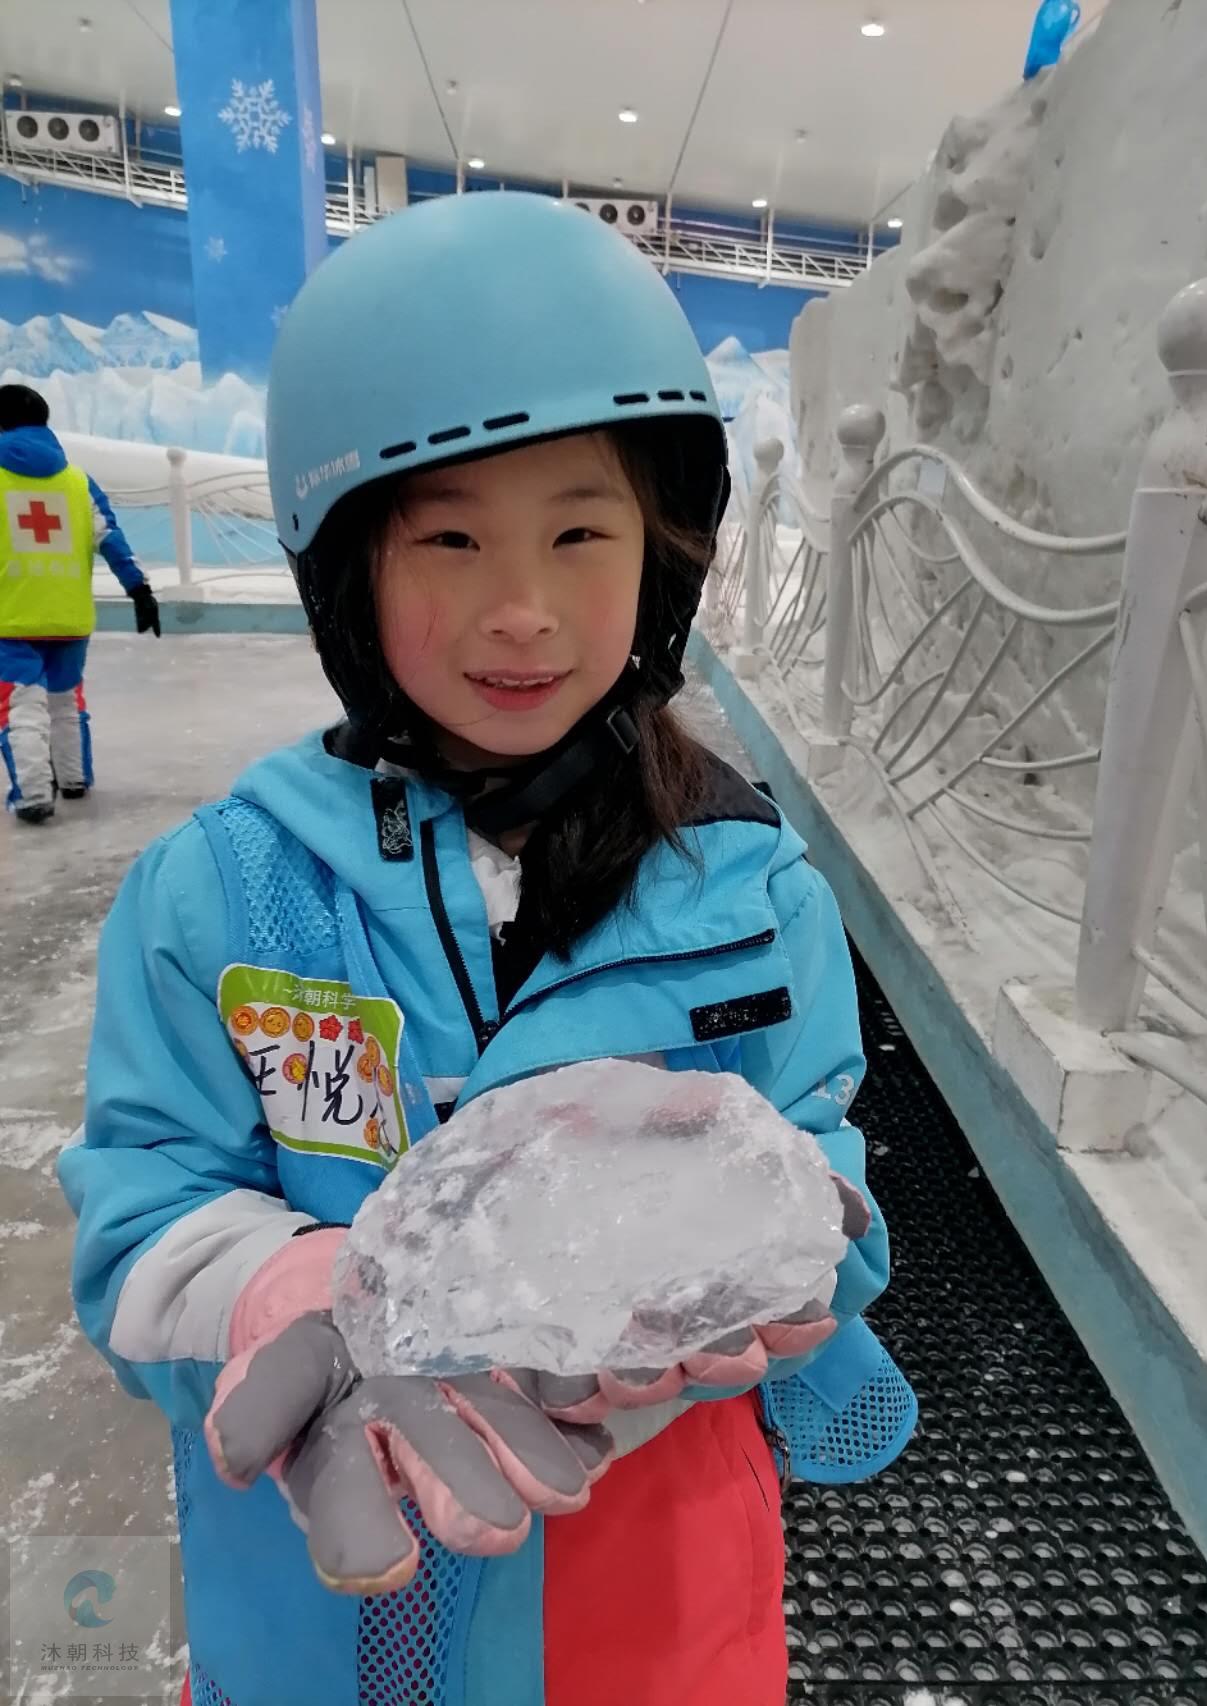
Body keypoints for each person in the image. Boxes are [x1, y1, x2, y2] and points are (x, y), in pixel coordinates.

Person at [58, 194, 915, 1706]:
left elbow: (825, 1184)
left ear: (658, 557)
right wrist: (279, 1291)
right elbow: (140, 1225)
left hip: (653, 1630)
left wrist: (766, 1255)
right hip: (323, 1634)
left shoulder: (751, 894)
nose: (520, 610)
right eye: (449, 538)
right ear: (347, 572)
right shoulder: (225, 897)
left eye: (580, 533)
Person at [0, 382, 161, 823]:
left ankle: (34, 794)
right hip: (69, 616)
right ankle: (73, 779)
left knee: (21, 707)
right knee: (65, 701)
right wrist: (140, 590)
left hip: (10, 617)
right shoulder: (76, 481)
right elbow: (110, 537)